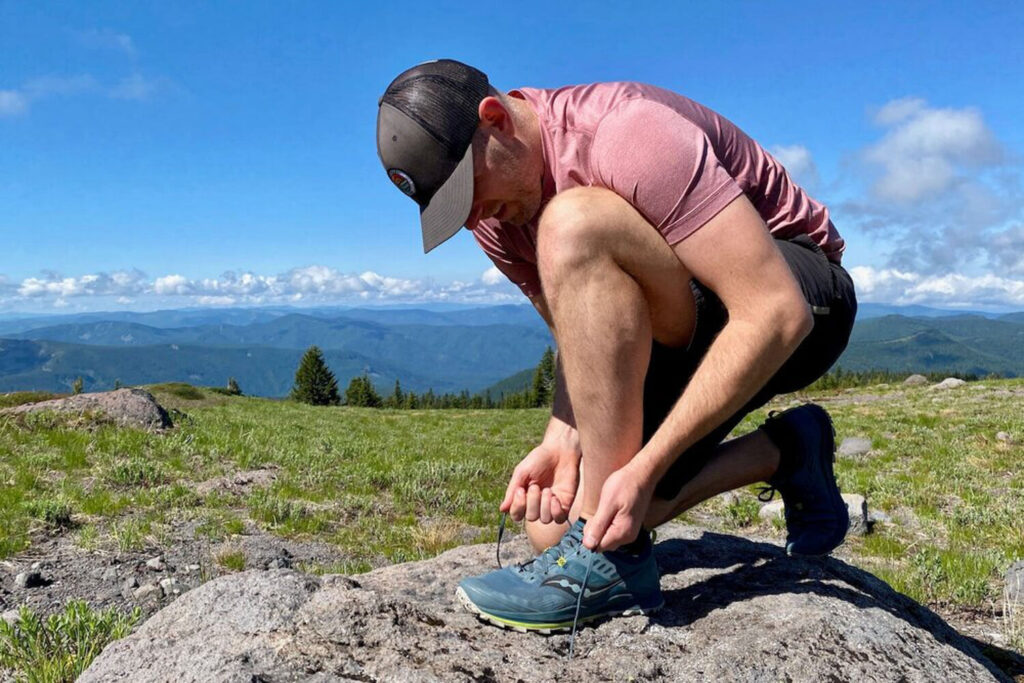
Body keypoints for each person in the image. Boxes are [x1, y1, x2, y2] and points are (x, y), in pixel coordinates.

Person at [376, 59, 857, 636]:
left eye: (468, 190)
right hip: (682, 317)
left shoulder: (625, 133)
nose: (474, 216)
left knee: (574, 222)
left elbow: (776, 312)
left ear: (496, 118)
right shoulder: (494, 217)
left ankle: (612, 566)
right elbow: (576, 329)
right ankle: (785, 450)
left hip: (797, 293)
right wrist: (562, 437)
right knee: (560, 526)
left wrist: (645, 467)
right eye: (452, 208)